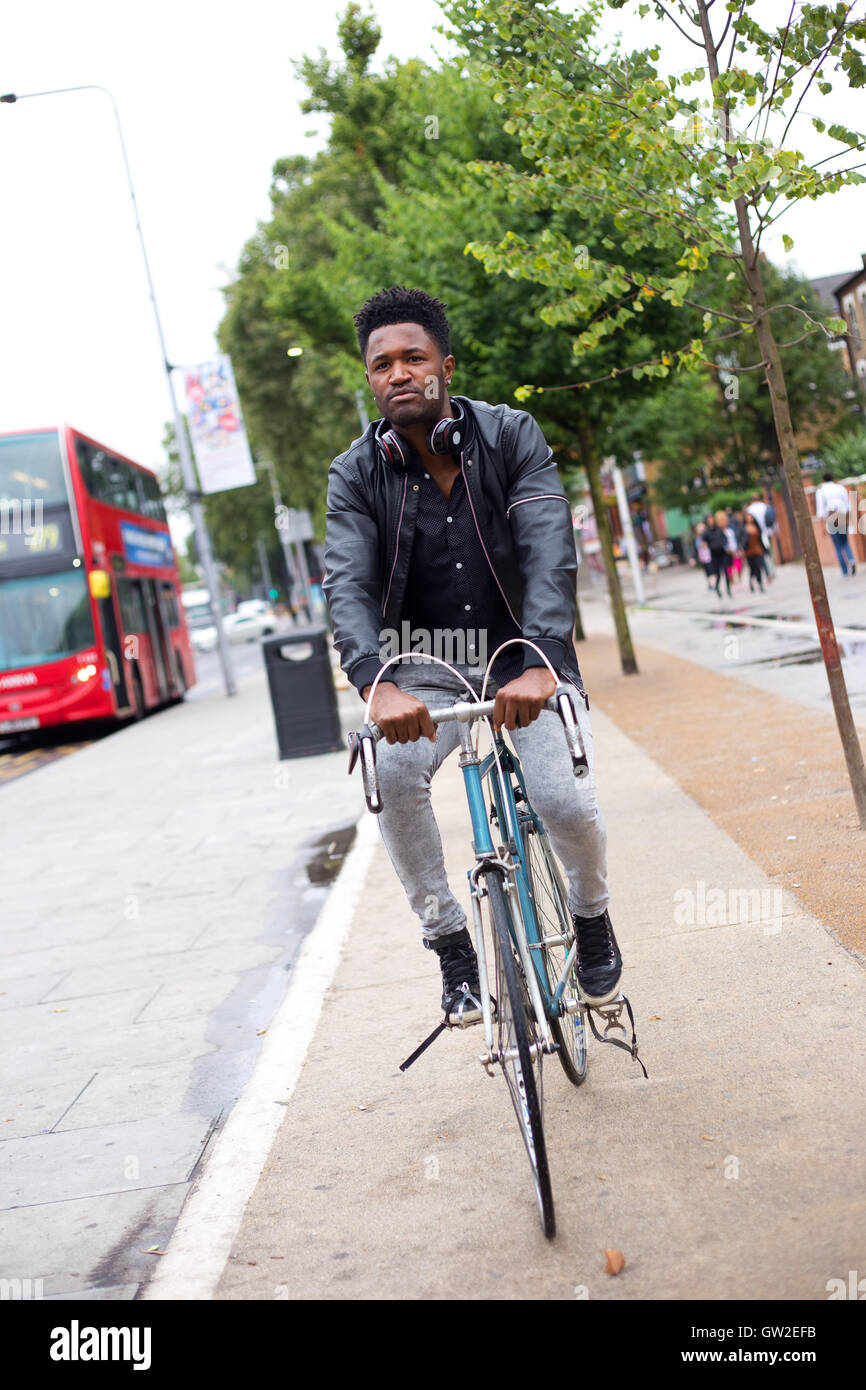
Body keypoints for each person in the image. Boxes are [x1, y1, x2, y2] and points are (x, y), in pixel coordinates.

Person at [324, 285, 621, 1024]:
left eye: (413, 358)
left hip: (525, 648)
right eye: (381, 364)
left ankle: (590, 915)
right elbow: (349, 583)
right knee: (389, 772)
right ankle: (452, 944)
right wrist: (373, 684)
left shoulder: (512, 435)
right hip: (424, 661)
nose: (397, 373)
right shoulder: (354, 474)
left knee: (561, 800)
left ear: (445, 365)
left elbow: (550, 549)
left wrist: (544, 657)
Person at [815, 472, 856, 576]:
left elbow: (820, 511)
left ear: (823, 480)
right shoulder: (840, 488)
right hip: (842, 517)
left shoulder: (821, 492)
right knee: (845, 542)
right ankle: (851, 560)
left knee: (837, 546)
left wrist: (822, 527)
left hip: (831, 520)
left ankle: (845, 571)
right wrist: (848, 520)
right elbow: (847, 506)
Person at [703, 512, 732, 597]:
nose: (710, 520)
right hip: (714, 555)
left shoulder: (719, 529)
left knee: (726, 573)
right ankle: (718, 589)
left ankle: (728, 590)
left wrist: (724, 544)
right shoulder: (706, 533)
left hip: (722, 553)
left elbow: (725, 538)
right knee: (718, 574)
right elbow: (704, 544)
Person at [743, 511, 768, 592]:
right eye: (748, 517)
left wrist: (764, 548)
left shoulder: (756, 527)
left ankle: (760, 583)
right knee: (752, 568)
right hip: (749, 550)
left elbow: (760, 538)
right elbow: (742, 540)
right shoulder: (744, 528)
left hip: (758, 549)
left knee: (758, 566)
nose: (749, 519)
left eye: (750, 517)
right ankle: (751, 582)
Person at [694, 522, 712, 589]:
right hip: (702, 556)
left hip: (708, 555)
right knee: (706, 570)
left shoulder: (707, 535)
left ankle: (712, 582)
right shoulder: (697, 537)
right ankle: (709, 583)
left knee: (710, 569)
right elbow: (696, 547)